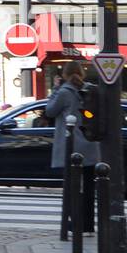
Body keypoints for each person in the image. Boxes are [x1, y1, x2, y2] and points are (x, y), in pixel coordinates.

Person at [44, 61, 99, 232]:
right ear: (82, 73)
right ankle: (88, 224)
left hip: (72, 146)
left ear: (65, 75)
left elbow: (50, 111)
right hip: (90, 144)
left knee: (72, 187)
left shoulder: (64, 92)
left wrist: (55, 89)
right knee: (90, 188)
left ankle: (74, 223)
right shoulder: (91, 89)